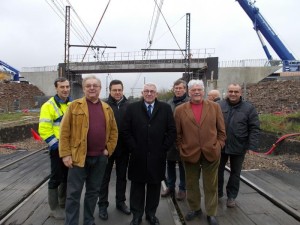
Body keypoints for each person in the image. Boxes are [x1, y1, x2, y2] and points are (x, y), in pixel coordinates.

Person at [59, 75, 118, 225]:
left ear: (100, 89)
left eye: (95, 85)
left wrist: (108, 150)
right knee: (73, 194)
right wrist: (65, 154)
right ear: (84, 88)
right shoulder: (74, 106)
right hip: (78, 158)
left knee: (93, 193)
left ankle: (88, 221)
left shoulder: (107, 108)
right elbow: (64, 131)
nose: (92, 88)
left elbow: (114, 132)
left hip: (99, 159)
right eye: (88, 85)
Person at [122, 82, 176, 225]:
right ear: (142, 93)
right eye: (146, 91)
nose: (149, 93)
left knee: (154, 186)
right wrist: (133, 148)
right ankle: (137, 215)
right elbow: (125, 131)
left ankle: (151, 214)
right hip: (137, 155)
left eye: (152, 91)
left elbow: (171, 131)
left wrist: (163, 148)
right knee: (137, 187)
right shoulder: (132, 108)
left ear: (156, 94)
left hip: (157, 156)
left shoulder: (165, 108)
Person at [174, 79, 226, 225]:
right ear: (188, 92)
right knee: (191, 183)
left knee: (211, 184)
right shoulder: (180, 110)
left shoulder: (215, 107)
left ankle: (211, 213)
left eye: (199, 89)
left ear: (204, 91)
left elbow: (222, 130)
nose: (196, 92)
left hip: (211, 151)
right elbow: (177, 134)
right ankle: (195, 208)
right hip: (189, 153)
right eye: (193, 90)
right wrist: (181, 147)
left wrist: (219, 145)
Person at [218, 83, 260, 208]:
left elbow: (254, 128)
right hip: (221, 145)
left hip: (239, 145)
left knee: (235, 173)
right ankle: (218, 192)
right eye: (231, 91)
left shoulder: (249, 108)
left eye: (236, 92)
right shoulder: (219, 105)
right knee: (217, 171)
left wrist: (252, 146)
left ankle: (231, 196)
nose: (233, 94)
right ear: (227, 92)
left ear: (240, 93)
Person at [39, 77, 71, 220]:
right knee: (56, 177)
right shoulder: (48, 106)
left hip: (70, 148)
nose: (65, 90)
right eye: (62, 87)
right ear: (56, 89)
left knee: (66, 176)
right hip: (57, 147)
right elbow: (44, 129)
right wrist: (58, 147)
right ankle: (54, 207)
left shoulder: (72, 104)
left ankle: (63, 203)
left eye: (67, 87)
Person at [98, 79, 131, 220]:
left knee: (122, 177)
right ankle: (103, 205)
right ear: (109, 91)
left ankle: (120, 202)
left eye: (119, 90)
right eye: (114, 90)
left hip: (123, 148)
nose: (117, 92)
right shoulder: (103, 105)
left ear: (123, 90)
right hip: (107, 149)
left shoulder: (130, 106)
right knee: (104, 178)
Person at [161, 79, 188, 201]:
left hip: (184, 140)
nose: (178, 90)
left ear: (185, 89)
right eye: (176, 88)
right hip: (170, 139)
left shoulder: (189, 102)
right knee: (170, 164)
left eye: (180, 88)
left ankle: (182, 189)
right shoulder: (169, 103)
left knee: (183, 166)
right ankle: (171, 187)